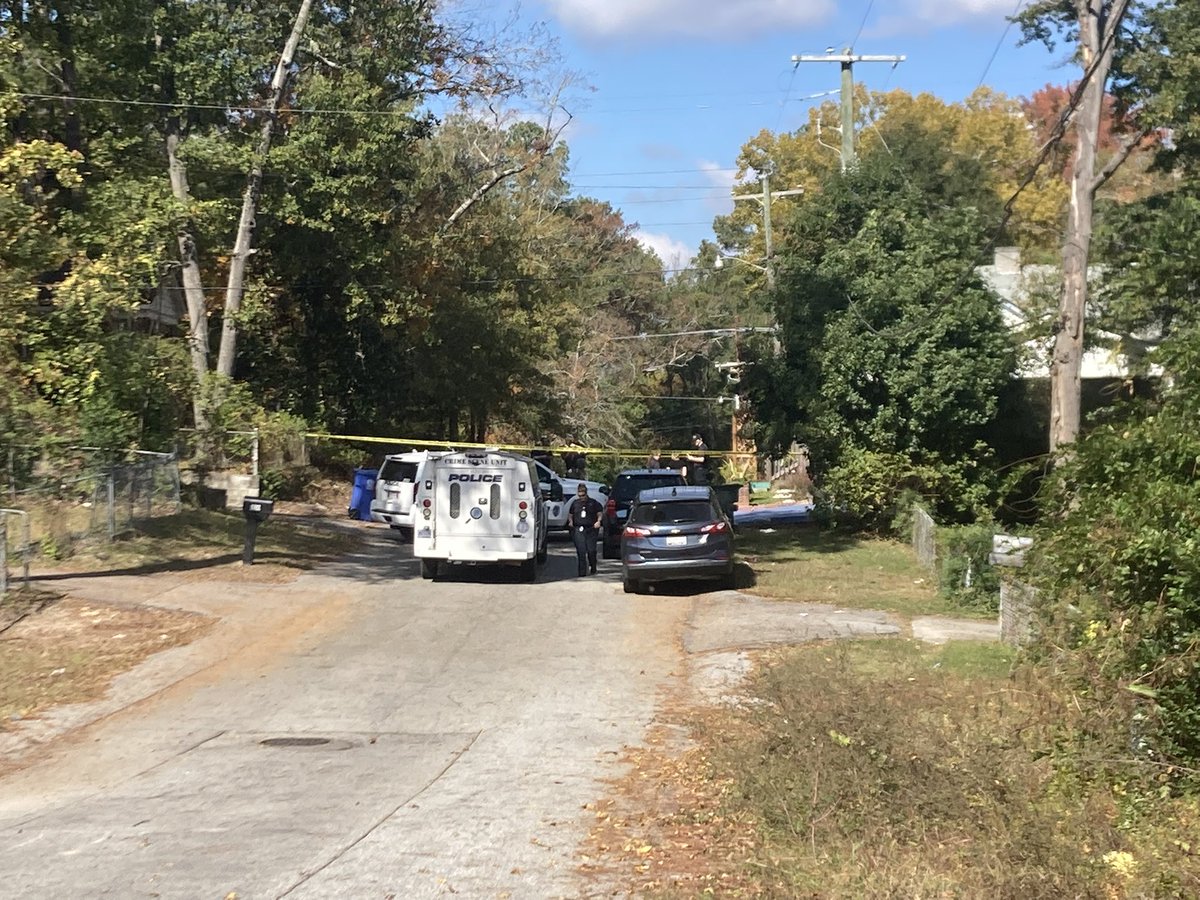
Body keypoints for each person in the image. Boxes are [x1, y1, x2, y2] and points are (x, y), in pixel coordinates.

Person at [566, 484, 603, 576]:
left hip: (591, 529)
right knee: (581, 551)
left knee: (591, 550)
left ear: (586, 494)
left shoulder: (593, 503)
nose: (581, 497)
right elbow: (570, 514)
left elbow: (599, 513)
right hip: (579, 529)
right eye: (580, 495)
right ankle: (582, 572)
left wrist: (598, 521)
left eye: (583, 495)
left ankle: (593, 566)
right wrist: (570, 522)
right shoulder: (575, 503)